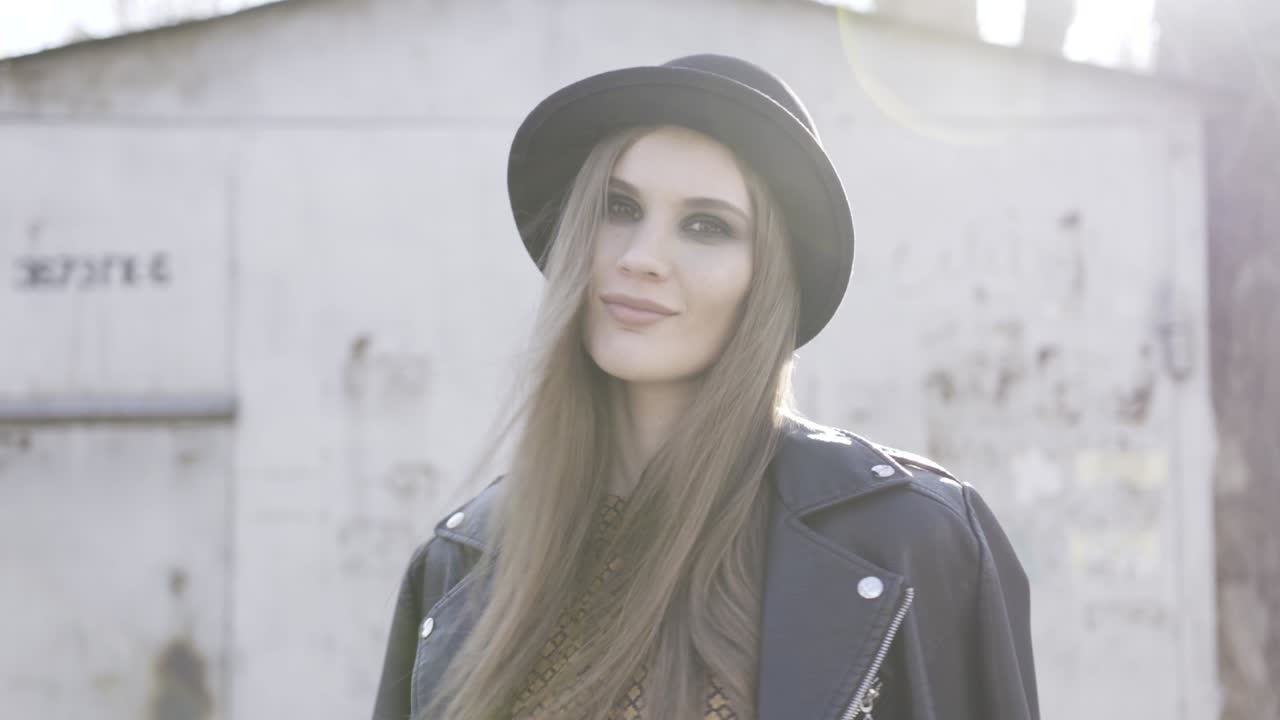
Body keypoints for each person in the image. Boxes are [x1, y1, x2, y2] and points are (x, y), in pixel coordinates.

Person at [370, 54, 1038, 720]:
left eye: (706, 226)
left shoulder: (911, 536)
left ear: (768, 280)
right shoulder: (462, 564)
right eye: (617, 207)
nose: (640, 258)